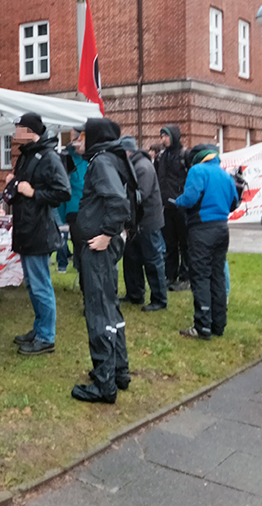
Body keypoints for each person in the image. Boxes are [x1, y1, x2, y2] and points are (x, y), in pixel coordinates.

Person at [70, 118, 134, 404]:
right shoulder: (109, 158)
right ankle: (118, 372)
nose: (77, 142)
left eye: (82, 136)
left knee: (99, 312)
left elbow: (118, 202)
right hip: (101, 246)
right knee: (110, 308)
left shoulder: (102, 162)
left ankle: (104, 383)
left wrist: (107, 234)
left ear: (94, 137)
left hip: (98, 248)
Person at [7, 112, 70, 356]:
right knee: (32, 284)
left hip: (39, 230)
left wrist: (34, 194)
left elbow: (62, 191)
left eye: (19, 128)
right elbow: (24, 185)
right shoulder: (26, 155)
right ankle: (40, 327)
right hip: (25, 227)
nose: (15, 132)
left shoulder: (49, 157)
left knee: (41, 284)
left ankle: (46, 336)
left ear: (31, 131)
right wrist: (14, 181)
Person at [172, 143, 239, 340]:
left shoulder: (197, 170)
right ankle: (218, 324)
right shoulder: (225, 174)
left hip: (202, 229)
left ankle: (202, 326)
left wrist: (178, 202)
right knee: (217, 275)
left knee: (200, 276)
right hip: (222, 228)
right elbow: (235, 201)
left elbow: (191, 197)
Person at [120, 136, 168, 311]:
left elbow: (141, 195)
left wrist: (120, 197)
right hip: (135, 222)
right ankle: (135, 294)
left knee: (153, 260)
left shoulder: (143, 167)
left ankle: (159, 299)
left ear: (127, 151)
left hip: (147, 222)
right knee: (131, 260)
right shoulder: (134, 165)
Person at [155, 125, 191, 291]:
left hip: (181, 205)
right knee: (170, 243)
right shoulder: (161, 156)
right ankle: (170, 275)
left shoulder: (185, 155)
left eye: (166, 136)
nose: (163, 140)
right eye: (162, 136)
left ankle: (185, 277)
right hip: (166, 206)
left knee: (184, 243)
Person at [56, 130, 87, 274]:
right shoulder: (70, 160)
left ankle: (82, 273)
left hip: (79, 208)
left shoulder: (87, 160)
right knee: (81, 246)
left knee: (81, 247)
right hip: (76, 209)